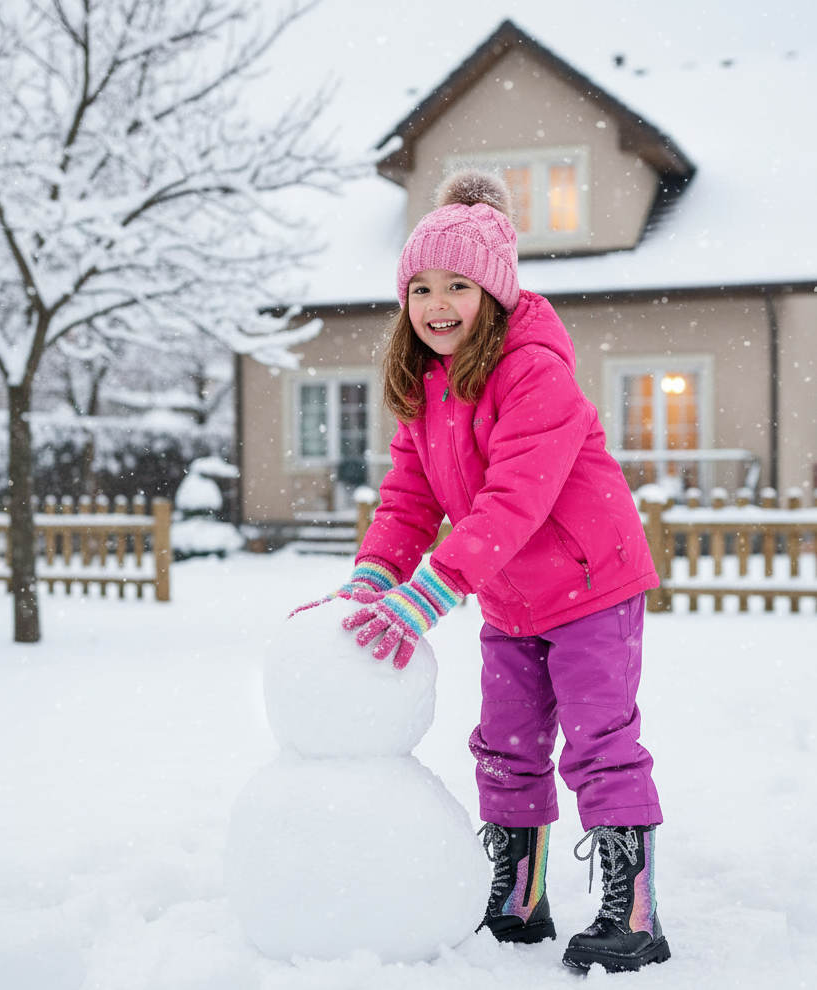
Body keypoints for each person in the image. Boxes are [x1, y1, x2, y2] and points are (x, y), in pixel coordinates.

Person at [292, 170, 670, 974]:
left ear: (492, 294)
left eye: (457, 286)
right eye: (421, 288)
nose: (437, 304)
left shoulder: (535, 372)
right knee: (505, 743)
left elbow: (514, 500)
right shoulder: (425, 385)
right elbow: (408, 498)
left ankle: (633, 910)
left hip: (591, 585)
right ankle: (519, 897)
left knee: (599, 740)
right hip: (510, 597)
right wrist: (371, 578)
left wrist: (432, 589)